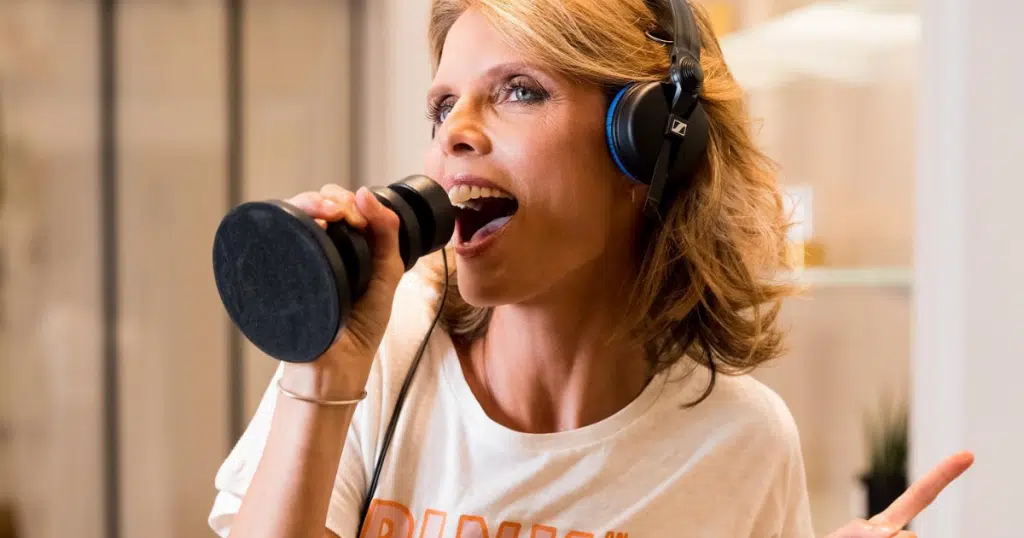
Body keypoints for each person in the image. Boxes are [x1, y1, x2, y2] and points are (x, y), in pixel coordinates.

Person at [208, 1, 973, 537]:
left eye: (519, 91)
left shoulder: (741, 443)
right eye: (442, 105)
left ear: (648, 144)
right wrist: (323, 379)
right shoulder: (378, 353)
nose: (454, 134)